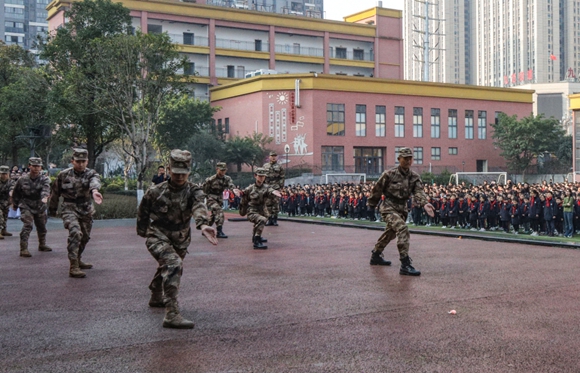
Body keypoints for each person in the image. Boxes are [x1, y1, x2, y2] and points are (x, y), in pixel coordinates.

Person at [137, 149, 217, 329]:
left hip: (181, 237)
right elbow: (142, 212)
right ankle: (171, 313)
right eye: (176, 173)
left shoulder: (193, 191)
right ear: (168, 169)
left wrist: (203, 225)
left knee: (168, 266)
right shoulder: (155, 191)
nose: (180, 177)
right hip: (157, 234)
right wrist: (143, 232)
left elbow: (199, 206)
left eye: (184, 173)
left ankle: (156, 293)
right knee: (173, 264)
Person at [367, 147, 434, 276]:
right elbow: (377, 189)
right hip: (388, 208)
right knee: (402, 229)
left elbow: (418, 192)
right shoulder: (389, 174)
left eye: (410, 158)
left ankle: (375, 255)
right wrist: (371, 205)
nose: (408, 161)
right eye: (405, 158)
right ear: (399, 159)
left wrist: (425, 203)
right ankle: (405, 264)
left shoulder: (414, 177)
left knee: (390, 233)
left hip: (402, 209)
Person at [49, 149, 103, 278]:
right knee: (75, 233)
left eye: (83, 161)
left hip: (85, 208)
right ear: (72, 161)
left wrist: (94, 191)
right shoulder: (63, 175)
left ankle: (78, 258)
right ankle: (73, 266)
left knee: (85, 237)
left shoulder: (91, 173)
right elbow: (55, 193)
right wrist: (52, 209)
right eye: (78, 161)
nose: (80, 164)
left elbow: (94, 183)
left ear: (87, 161)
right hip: (69, 207)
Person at [11, 157, 52, 257]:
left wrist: (44, 197)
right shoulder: (22, 179)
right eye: (34, 166)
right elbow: (16, 192)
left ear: (41, 167)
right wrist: (15, 204)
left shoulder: (44, 179)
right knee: (28, 225)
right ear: (29, 166)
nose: (36, 168)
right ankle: (23, 248)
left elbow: (46, 188)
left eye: (38, 166)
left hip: (40, 204)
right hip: (26, 205)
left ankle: (42, 244)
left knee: (42, 226)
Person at [239, 168, 281, 250]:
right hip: (252, 211)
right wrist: (242, 212)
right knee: (261, 220)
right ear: (255, 176)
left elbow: (271, 191)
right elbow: (244, 201)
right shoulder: (249, 189)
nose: (261, 178)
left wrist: (274, 193)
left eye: (263, 176)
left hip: (262, 210)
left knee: (261, 221)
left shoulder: (267, 187)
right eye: (260, 176)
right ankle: (257, 241)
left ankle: (255, 236)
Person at [202, 162, 240, 238]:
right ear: (217, 169)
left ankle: (206, 229)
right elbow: (204, 190)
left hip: (219, 198)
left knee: (213, 215)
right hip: (211, 198)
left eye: (224, 170)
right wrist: (207, 198)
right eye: (221, 170)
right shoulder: (210, 179)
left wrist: (234, 190)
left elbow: (230, 185)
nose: (223, 172)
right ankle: (219, 231)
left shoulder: (227, 178)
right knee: (219, 212)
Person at [263, 151, 285, 226]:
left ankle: (275, 219)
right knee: (268, 204)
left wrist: (280, 186)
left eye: (275, 156)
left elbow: (282, 177)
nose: (273, 157)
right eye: (272, 156)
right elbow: (262, 176)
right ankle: (269, 219)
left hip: (276, 187)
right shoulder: (265, 166)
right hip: (267, 187)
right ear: (269, 157)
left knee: (275, 204)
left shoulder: (279, 166)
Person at [0, 165, 15, 239]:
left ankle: (3, 230)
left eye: (6, 174)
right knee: (0, 216)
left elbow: (12, 188)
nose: (4, 175)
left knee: (5, 216)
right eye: (3, 174)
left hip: (6, 202)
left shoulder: (11, 181)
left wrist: (11, 193)